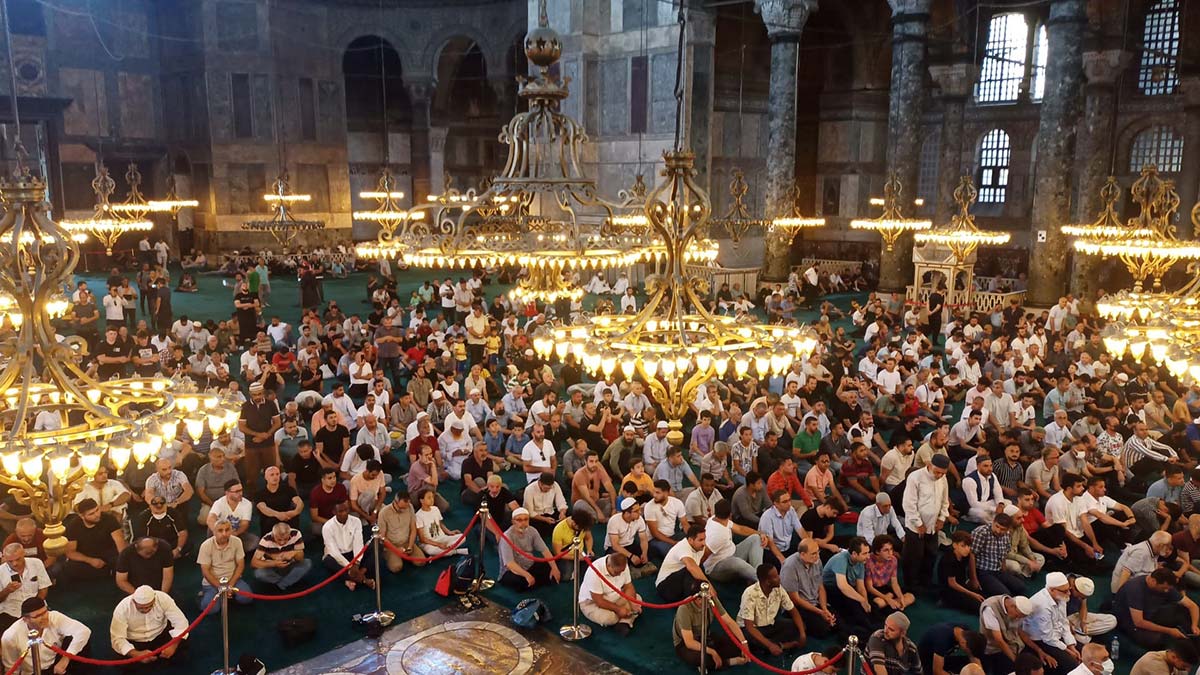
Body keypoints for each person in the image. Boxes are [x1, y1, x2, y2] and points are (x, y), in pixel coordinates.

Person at [1114, 568, 1200, 650]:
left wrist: (1194, 625)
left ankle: (1193, 638)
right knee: (1157, 640)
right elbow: (1139, 622)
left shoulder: (1166, 587)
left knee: (1183, 611)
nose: (1166, 591)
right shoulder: (1135, 588)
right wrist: (1169, 631)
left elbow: (1192, 606)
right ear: (1153, 581)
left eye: (1168, 589)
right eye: (1164, 588)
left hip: (1151, 614)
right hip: (1130, 622)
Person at [1, 598, 90, 675]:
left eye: (45, 612)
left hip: (55, 663)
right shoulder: (10, 636)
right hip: (32, 672)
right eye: (38, 616)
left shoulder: (54, 616)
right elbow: (11, 667)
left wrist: (65, 659)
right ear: (25, 619)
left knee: (81, 643)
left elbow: (84, 631)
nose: (44, 617)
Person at [901, 453, 950, 590]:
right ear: (929, 466)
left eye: (942, 473)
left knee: (931, 555)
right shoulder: (915, 477)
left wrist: (942, 518)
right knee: (913, 557)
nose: (939, 475)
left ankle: (925, 582)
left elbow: (945, 501)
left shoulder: (943, 478)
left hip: (933, 526)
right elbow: (909, 504)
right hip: (916, 527)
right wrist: (918, 523)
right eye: (937, 472)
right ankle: (910, 585)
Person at [738, 563, 805, 657]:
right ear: (767, 582)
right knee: (750, 638)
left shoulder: (779, 589)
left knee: (796, 626)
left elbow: (793, 611)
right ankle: (778, 646)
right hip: (753, 629)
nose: (779, 578)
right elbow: (749, 627)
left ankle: (773, 646)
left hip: (770, 625)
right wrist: (770, 645)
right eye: (776, 576)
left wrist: (802, 633)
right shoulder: (749, 594)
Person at [673, 586, 749, 670]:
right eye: (709, 596)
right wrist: (712, 652)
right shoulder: (684, 608)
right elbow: (689, 642)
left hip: (705, 637)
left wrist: (743, 643)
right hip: (685, 644)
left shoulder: (711, 599)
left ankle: (713, 663)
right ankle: (728, 662)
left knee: (737, 644)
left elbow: (729, 622)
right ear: (698, 600)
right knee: (700, 659)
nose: (712, 597)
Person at [109, 586, 188, 666]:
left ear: (154, 599)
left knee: (182, 645)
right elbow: (117, 638)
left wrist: (173, 646)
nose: (146, 610)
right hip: (135, 641)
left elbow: (181, 622)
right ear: (134, 601)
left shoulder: (163, 598)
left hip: (159, 634)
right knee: (121, 660)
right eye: (141, 608)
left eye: (149, 606)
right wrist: (135, 654)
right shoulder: (122, 608)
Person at [1023, 572, 1080, 675]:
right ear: (1052, 590)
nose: (1069, 594)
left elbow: (1064, 622)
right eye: (1065, 591)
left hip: (1056, 636)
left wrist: (1071, 645)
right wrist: (1068, 651)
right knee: (1073, 666)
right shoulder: (1042, 606)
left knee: (1083, 652)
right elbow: (1048, 638)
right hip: (1042, 640)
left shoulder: (1061, 596)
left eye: (1069, 589)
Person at [780, 538, 836, 638]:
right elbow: (795, 599)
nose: (817, 556)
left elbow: (821, 587)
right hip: (798, 606)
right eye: (814, 554)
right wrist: (820, 612)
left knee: (836, 620)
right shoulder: (790, 567)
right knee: (823, 629)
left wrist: (824, 608)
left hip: (815, 601)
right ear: (802, 554)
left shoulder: (816, 561)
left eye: (818, 552)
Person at [823, 536, 877, 641]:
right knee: (853, 606)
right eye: (865, 553)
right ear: (854, 554)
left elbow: (860, 586)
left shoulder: (861, 562)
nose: (868, 557)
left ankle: (870, 629)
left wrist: (865, 602)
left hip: (847, 588)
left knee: (867, 607)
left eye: (868, 553)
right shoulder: (840, 559)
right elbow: (842, 586)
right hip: (830, 590)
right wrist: (861, 600)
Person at [704, 499, 767, 585]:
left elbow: (740, 529)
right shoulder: (719, 535)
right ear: (730, 515)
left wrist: (760, 533)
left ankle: (755, 576)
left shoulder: (714, 518)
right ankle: (763, 581)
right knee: (737, 562)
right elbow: (705, 553)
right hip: (716, 567)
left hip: (732, 552)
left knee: (756, 538)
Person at [579, 552, 642, 635]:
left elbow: (628, 586)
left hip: (615, 596)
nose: (619, 574)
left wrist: (632, 603)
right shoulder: (594, 572)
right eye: (617, 572)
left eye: (621, 572)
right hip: (592, 603)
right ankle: (625, 618)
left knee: (637, 599)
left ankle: (623, 622)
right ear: (609, 566)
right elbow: (599, 601)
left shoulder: (622, 566)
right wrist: (618, 609)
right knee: (609, 618)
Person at [63, 498, 126, 581]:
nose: (97, 515)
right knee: (68, 569)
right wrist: (90, 560)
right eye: (91, 514)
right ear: (82, 516)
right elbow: (70, 552)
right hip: (86, 558)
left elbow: (120, 542)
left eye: (97, 510)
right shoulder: (73, 525)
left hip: (108, 556)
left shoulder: (109, 519)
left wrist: (124, 560)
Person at [197, 520, 253, 612]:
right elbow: (205, 571)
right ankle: (202, 597)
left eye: (227, 530)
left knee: (246, 599)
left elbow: (240, 565)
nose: (224, 533)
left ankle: (227, 596)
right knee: (211, 610)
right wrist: (220, 587)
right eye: (220, 530)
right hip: (213, 583)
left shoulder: (237, 541)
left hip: (233, 580)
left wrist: (230, 585)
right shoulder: (205, 545)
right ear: (214, 532)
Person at [498, 508, 560, 589]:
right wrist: (527, 575)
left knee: (553, 563)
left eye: (525, 520)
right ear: (513, 522)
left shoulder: (532, 531)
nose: (523, 523)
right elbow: (510, 564)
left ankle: (533, 581)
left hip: (529, 565)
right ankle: (533, 581)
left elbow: (545, 550)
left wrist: (554, 568)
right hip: (513, 571)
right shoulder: (507, 537)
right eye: (519, 520)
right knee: (520, 582)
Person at [322, 500, 376, 591]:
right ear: (334, 512)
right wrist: (350, 566)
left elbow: (358, 543)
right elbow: (334, 552)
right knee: (328, 561)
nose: (344, 513)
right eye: (340, 511)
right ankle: (363, 579)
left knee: (376, 547)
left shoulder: (356, 521)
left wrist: (357, 562)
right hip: (340, 557)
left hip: (355, 554)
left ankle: (352, 576)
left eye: (346, 510)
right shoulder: (327, 527)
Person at [0, 543, 50, 633]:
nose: (14, 564)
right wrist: (6, 591)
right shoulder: (0, 571)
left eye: (17, 559)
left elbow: (43, 588)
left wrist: (35, 608)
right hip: (10, 612)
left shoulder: (36, 563)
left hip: (36, 608)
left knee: (49, 632)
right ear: (4, 558)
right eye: (10, 561)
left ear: (24, 554)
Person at [979, 594, 1035, 674]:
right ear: (1012, 606)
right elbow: (999, 641)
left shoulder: (1014, 609)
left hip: (1015, 645)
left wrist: (1039, 650)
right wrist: (1017, 662)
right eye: (1017, 616)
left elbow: (1019, 631)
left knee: (1034, 665)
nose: (1017, 618)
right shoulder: (990, 608)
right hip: (995, 649)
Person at [251, 522, 313, 591]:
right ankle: (289, 582)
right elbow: (254, 563)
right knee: (259, 573)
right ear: (273, 535)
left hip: (290, 564)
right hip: (272, 568)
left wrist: (294, 553)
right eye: (279, 539)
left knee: (307, 563)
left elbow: (301, 558)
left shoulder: (296, 534)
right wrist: (274, 563)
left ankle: (280, 585)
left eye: (286, 539)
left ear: (289, 534)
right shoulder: (265, 540)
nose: (282, 543)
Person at [656, 525, 710, 603]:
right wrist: (708, 586)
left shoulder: (700, 547)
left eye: (704, 539)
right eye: (700, 540)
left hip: (679, 583)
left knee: (699, 569)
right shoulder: (683, 547)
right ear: (691, 540)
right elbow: (691, 567)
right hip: (665, 586)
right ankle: (688, 603)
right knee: (690, 570)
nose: (704, 543)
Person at [605, 497, 655, 579]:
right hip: (615, 549)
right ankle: (632, 568)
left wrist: (644, 553)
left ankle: (631, 567)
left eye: (639, 509)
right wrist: (631, 556)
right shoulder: (614, 521)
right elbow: (615, 545)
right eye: (636, 511)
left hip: (630, 545)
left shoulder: (639, 519)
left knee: (650, 549)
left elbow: (643, 539)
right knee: (616, 561)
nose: (640, 512)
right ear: (627, 513)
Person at [378, 491, 425, 574]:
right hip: (391, 546)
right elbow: (382, 537)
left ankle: (406, 554)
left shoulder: (410, 507)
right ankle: (390, 556)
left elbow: (413, 528)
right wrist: (396, 550)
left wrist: (410, 546)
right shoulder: (384, 513)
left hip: (406, 543)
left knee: (421, 562)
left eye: (408, 503)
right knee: (396, 567)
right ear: (395, 502)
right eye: (402, 506)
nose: (405, 508)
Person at [205, 479, 257, 552]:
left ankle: (226, 548)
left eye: (241, 490)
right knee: (210, 529)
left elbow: (245, 524)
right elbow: (210, 519)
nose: (240, 493)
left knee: (254, 542)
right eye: (237, 491)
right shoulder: (219, 502)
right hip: (220, 532)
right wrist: (219, 532)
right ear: (227, 493)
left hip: (236, 533)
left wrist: (234, 533)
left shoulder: (247, 504)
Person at [414, 489, 468, 559]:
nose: (432, 499)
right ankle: (456, 551)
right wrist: (438, 544)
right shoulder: (418, 516)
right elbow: (422, 539)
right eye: (429, 498)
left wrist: (449, 532)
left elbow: (440, 524)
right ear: (422, 500)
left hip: (442, 538)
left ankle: (444, 551)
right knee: (431, 551)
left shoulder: (435, 509)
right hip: (428, 543)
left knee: (462, 537)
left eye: (432, 497)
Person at [916, 622, 987, 675]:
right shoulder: (942, 640)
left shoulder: (966, 632)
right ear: (963, 643)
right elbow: (937, 671)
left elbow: (973, 657)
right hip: (926, 661)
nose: (967, 652)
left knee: (969, 665)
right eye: (967, 651)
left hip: (943, 657)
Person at [866, 611, 922, 675]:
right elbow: (879, 670)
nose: (885, 631)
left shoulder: (911, 648)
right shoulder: (877, 638)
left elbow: (918, 672)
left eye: (891, 629)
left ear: (903, 633)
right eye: (885, 625)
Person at [645, 479, 689, 560]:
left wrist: (691, 537)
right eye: (654, 492)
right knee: (671, 551)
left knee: (692, 542)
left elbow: (685, 524)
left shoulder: (677, 503)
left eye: (658, 492)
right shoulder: (649, 507)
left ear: (666, 493)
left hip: (673, 536)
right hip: (655, 540)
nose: (654, 495)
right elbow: (655, 533)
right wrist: (674, 543)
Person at [522, 473, 567, 540]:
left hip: (550, 512)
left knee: (568, 519)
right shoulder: (529, 489)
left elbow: (561, 502)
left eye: (550, 488)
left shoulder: (555, 485)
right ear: (540, 483)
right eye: (546, 488)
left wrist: (562, 513)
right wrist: (545, 519)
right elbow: (530, 512)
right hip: (536, 517)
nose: (548, 490)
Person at [1129, 639, 1198, 675]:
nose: (1187, 670)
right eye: (1184, 666)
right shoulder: (1155, 663)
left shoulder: (1172, 660)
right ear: (1174, 657)